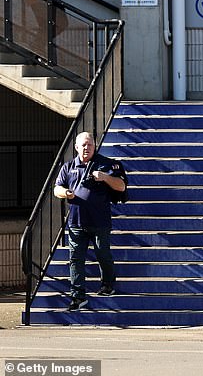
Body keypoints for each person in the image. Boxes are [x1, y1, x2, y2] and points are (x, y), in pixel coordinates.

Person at [54, 132, 128, 311]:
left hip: (99, 220)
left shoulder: (107, 164)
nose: (87, 148)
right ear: (77, 147)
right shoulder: (68, 166)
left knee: (103, 254)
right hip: (76, 221)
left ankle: (107, 285)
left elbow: (122, 186)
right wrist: (66, 193)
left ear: (95, 146)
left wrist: (104, 177)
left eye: (90, 145)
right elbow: (57, 188)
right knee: (75, 259)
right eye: (83, 145)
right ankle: (78, 296)